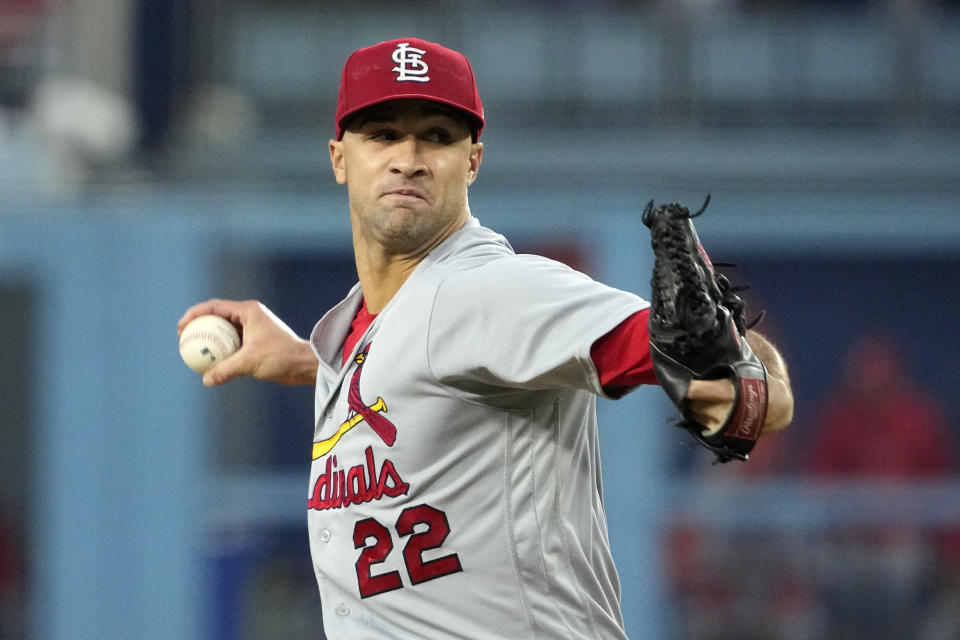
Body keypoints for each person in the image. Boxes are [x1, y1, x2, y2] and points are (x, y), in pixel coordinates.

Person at [179, 37, 794, 639]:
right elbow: (426, 373)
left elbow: (736, 383)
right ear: (340, 156)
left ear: (473, 159)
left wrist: (739, 374)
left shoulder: (494, 289)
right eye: (383, 134)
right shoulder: (369, 328)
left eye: (437, 137)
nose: (408, 158)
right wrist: (309, 361)